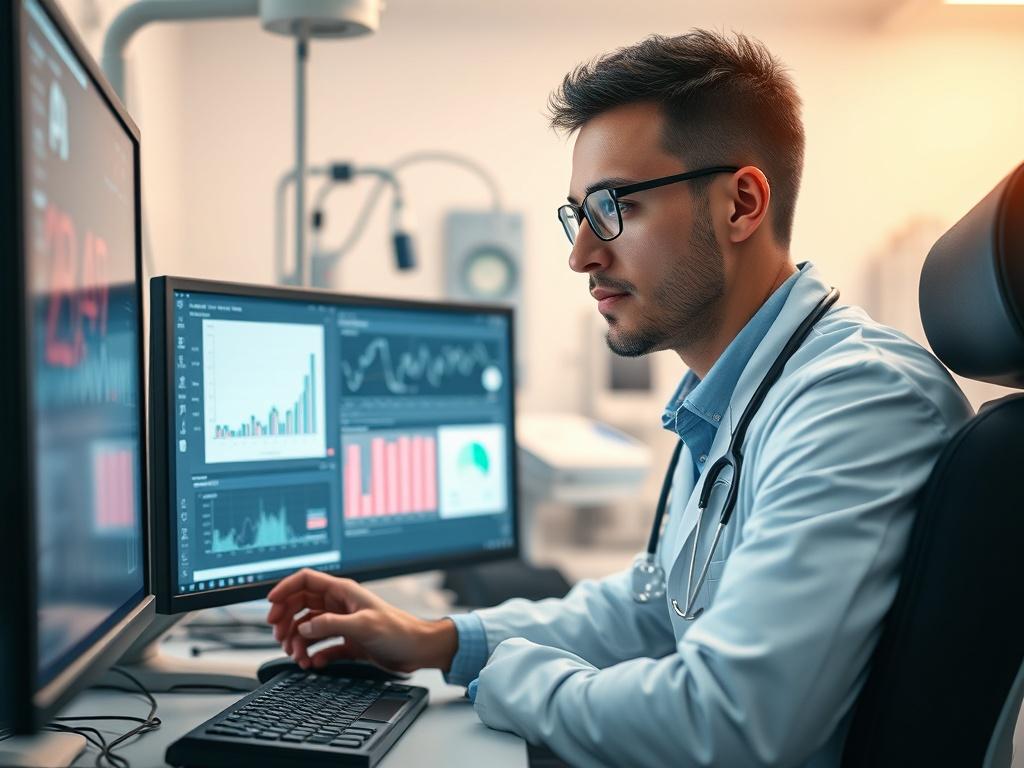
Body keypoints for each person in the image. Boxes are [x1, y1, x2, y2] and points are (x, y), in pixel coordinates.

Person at [266, 30, 972, 766]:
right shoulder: (731, 401)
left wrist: (504, 674)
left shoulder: (853, 402)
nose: (581, 256)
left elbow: (731, 721)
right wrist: (436, 640)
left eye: (614, 208)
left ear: (741, 204)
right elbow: (654, 607)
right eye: (578, 215)